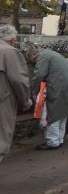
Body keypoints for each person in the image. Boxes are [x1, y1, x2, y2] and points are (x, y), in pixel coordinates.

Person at [25, 44, 68, 150]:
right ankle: (59, 140)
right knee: (63, 114)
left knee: (53, 114)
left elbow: (39, 75)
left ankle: (52, 142)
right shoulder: (51, 53)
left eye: (32, 60)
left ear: (33, 54)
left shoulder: (42, 57)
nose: (33, 63)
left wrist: (35, 91)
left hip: (59, 86)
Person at [1, 25, 33, 162]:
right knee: (1, 140)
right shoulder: (10, 52)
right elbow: (19, 80)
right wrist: (26, 101)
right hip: (3, 101)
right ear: (13, 40)